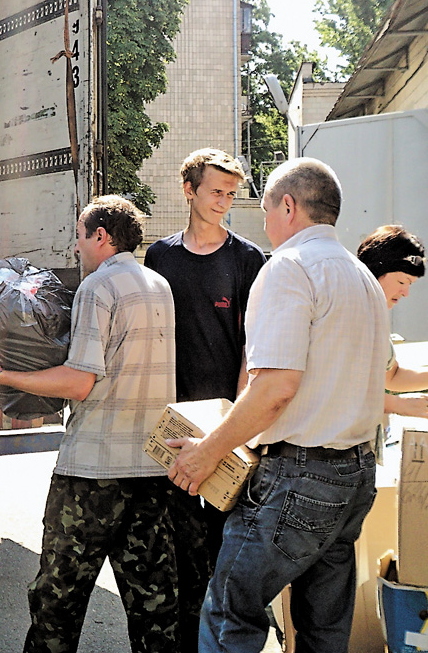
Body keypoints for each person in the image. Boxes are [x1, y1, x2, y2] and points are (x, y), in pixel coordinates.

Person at [0, 195, 207, 652]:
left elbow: (79, 383)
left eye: (80, 235)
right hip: (152, 471)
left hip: (92, 475)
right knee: (155, 607)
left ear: (101, 236)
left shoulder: (98, 289)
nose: (76, 247)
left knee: (58, 601)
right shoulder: (159, 286)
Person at [167, 158, 389, 653]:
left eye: (265, 208)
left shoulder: (289, 267)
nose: (263, 221)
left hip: (299, 478)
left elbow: (275, 389)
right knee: (322, 627)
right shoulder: (362, 277)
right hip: (355, 472)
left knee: (230, 610)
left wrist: (207, 452)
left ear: (288, 206)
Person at [144, 147, 265, 569]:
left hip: (222, 422)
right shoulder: (160, 256)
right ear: (188, 191)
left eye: (231, 195)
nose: (224, 202)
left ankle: (217, 632)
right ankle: (184, 634)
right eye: (216, 192)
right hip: (173, 417)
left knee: (222, 544)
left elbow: (254, 345)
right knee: (176, 544)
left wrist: (238, 418)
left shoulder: (247, 258)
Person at [357, 225, 428, 419]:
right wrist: (397, 404)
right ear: (379, 269)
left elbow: (392, 376)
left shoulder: (374, 317)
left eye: (410, 285)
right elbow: (337, 389)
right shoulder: (346, 314)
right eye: (402, 282)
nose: (406, 293)